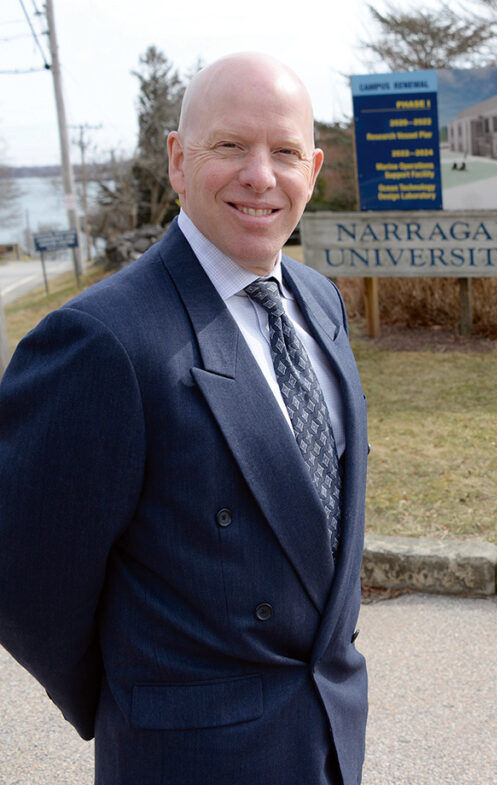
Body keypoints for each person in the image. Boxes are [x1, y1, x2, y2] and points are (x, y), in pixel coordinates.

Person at [0, 53, 367, 785]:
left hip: (327, 738)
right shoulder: (101, 341)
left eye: (286, 152)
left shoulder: (320, 301)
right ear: (177, 159)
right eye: (230, 146)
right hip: (190, 755)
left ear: (315, 168)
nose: (261, 176)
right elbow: (24, 578)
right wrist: (139, 697)